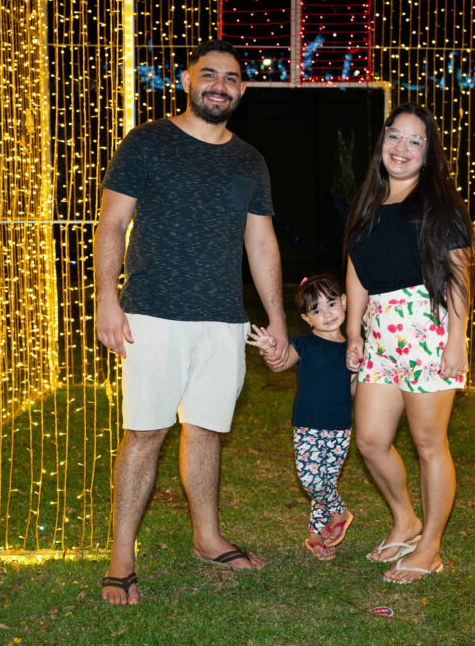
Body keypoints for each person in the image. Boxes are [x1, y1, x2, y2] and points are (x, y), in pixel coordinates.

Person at [93, 39, 288, 606]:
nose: (219, 86)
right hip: (152, 313)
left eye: (231, 78)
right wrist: (109, 299)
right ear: (186, 80)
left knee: (206, 429)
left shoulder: (250, 161)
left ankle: (207, 537)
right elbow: (112, 224)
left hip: (223, 319)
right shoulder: (147, 143)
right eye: (209, 75)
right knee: (146, 433)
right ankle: (122, 556)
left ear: (242, 91)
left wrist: (274, 318)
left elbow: (261, 240)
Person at [344, 103, 473, 584]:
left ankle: (431, 547)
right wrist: (353, 332)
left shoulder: (438, 206)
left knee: (427, 443)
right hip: (380, 331)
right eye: (394, 137)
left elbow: (460, 275)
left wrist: (455, 340)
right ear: (382, 143)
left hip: (428, 328)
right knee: (372, 441)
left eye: (414, 141)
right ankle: (406, 520)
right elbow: (356, 268)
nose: (401, 148)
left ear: (428, 152)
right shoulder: (367, 203)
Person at [247, 275, 355, 561]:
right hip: (307, 425)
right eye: (317, 311)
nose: (327, 314)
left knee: (327, 480)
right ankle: (339, 512)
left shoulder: (353, 348)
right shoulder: (304, 344)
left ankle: (316, 536)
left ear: (344, 302)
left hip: (340, 426)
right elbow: (280, 364)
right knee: (311, 479)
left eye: (331, 304)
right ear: (307, 319)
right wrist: (271, 348)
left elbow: (356, 389)